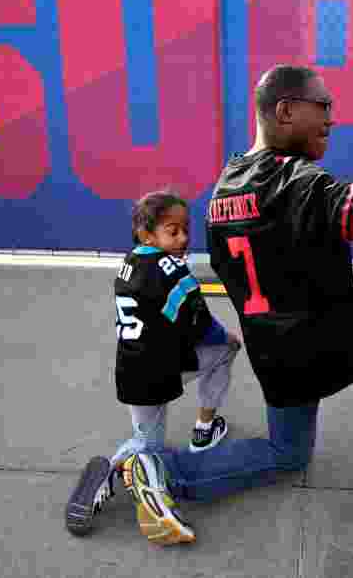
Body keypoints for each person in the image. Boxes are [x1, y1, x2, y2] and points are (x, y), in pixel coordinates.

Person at [121, 60, 353, 546]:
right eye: (325, 107)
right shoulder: (299, 181)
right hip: (335, 347)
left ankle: (159, 468)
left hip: (277, 360)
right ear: (287, 110)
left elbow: (233, 274)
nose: (332, 118)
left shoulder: (225, 186)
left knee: (287, 454)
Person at [65, 190, 241, 541]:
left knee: (145, 437)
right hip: (158, 373)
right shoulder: (176, 272)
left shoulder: (130, 261)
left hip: (130, 367)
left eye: (185, 230)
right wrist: (230, 337)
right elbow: (203, 325)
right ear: (148, 235)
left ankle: (114, 473)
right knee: (150, 451)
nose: (183, 238)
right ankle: (191, 439)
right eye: (172, 231)